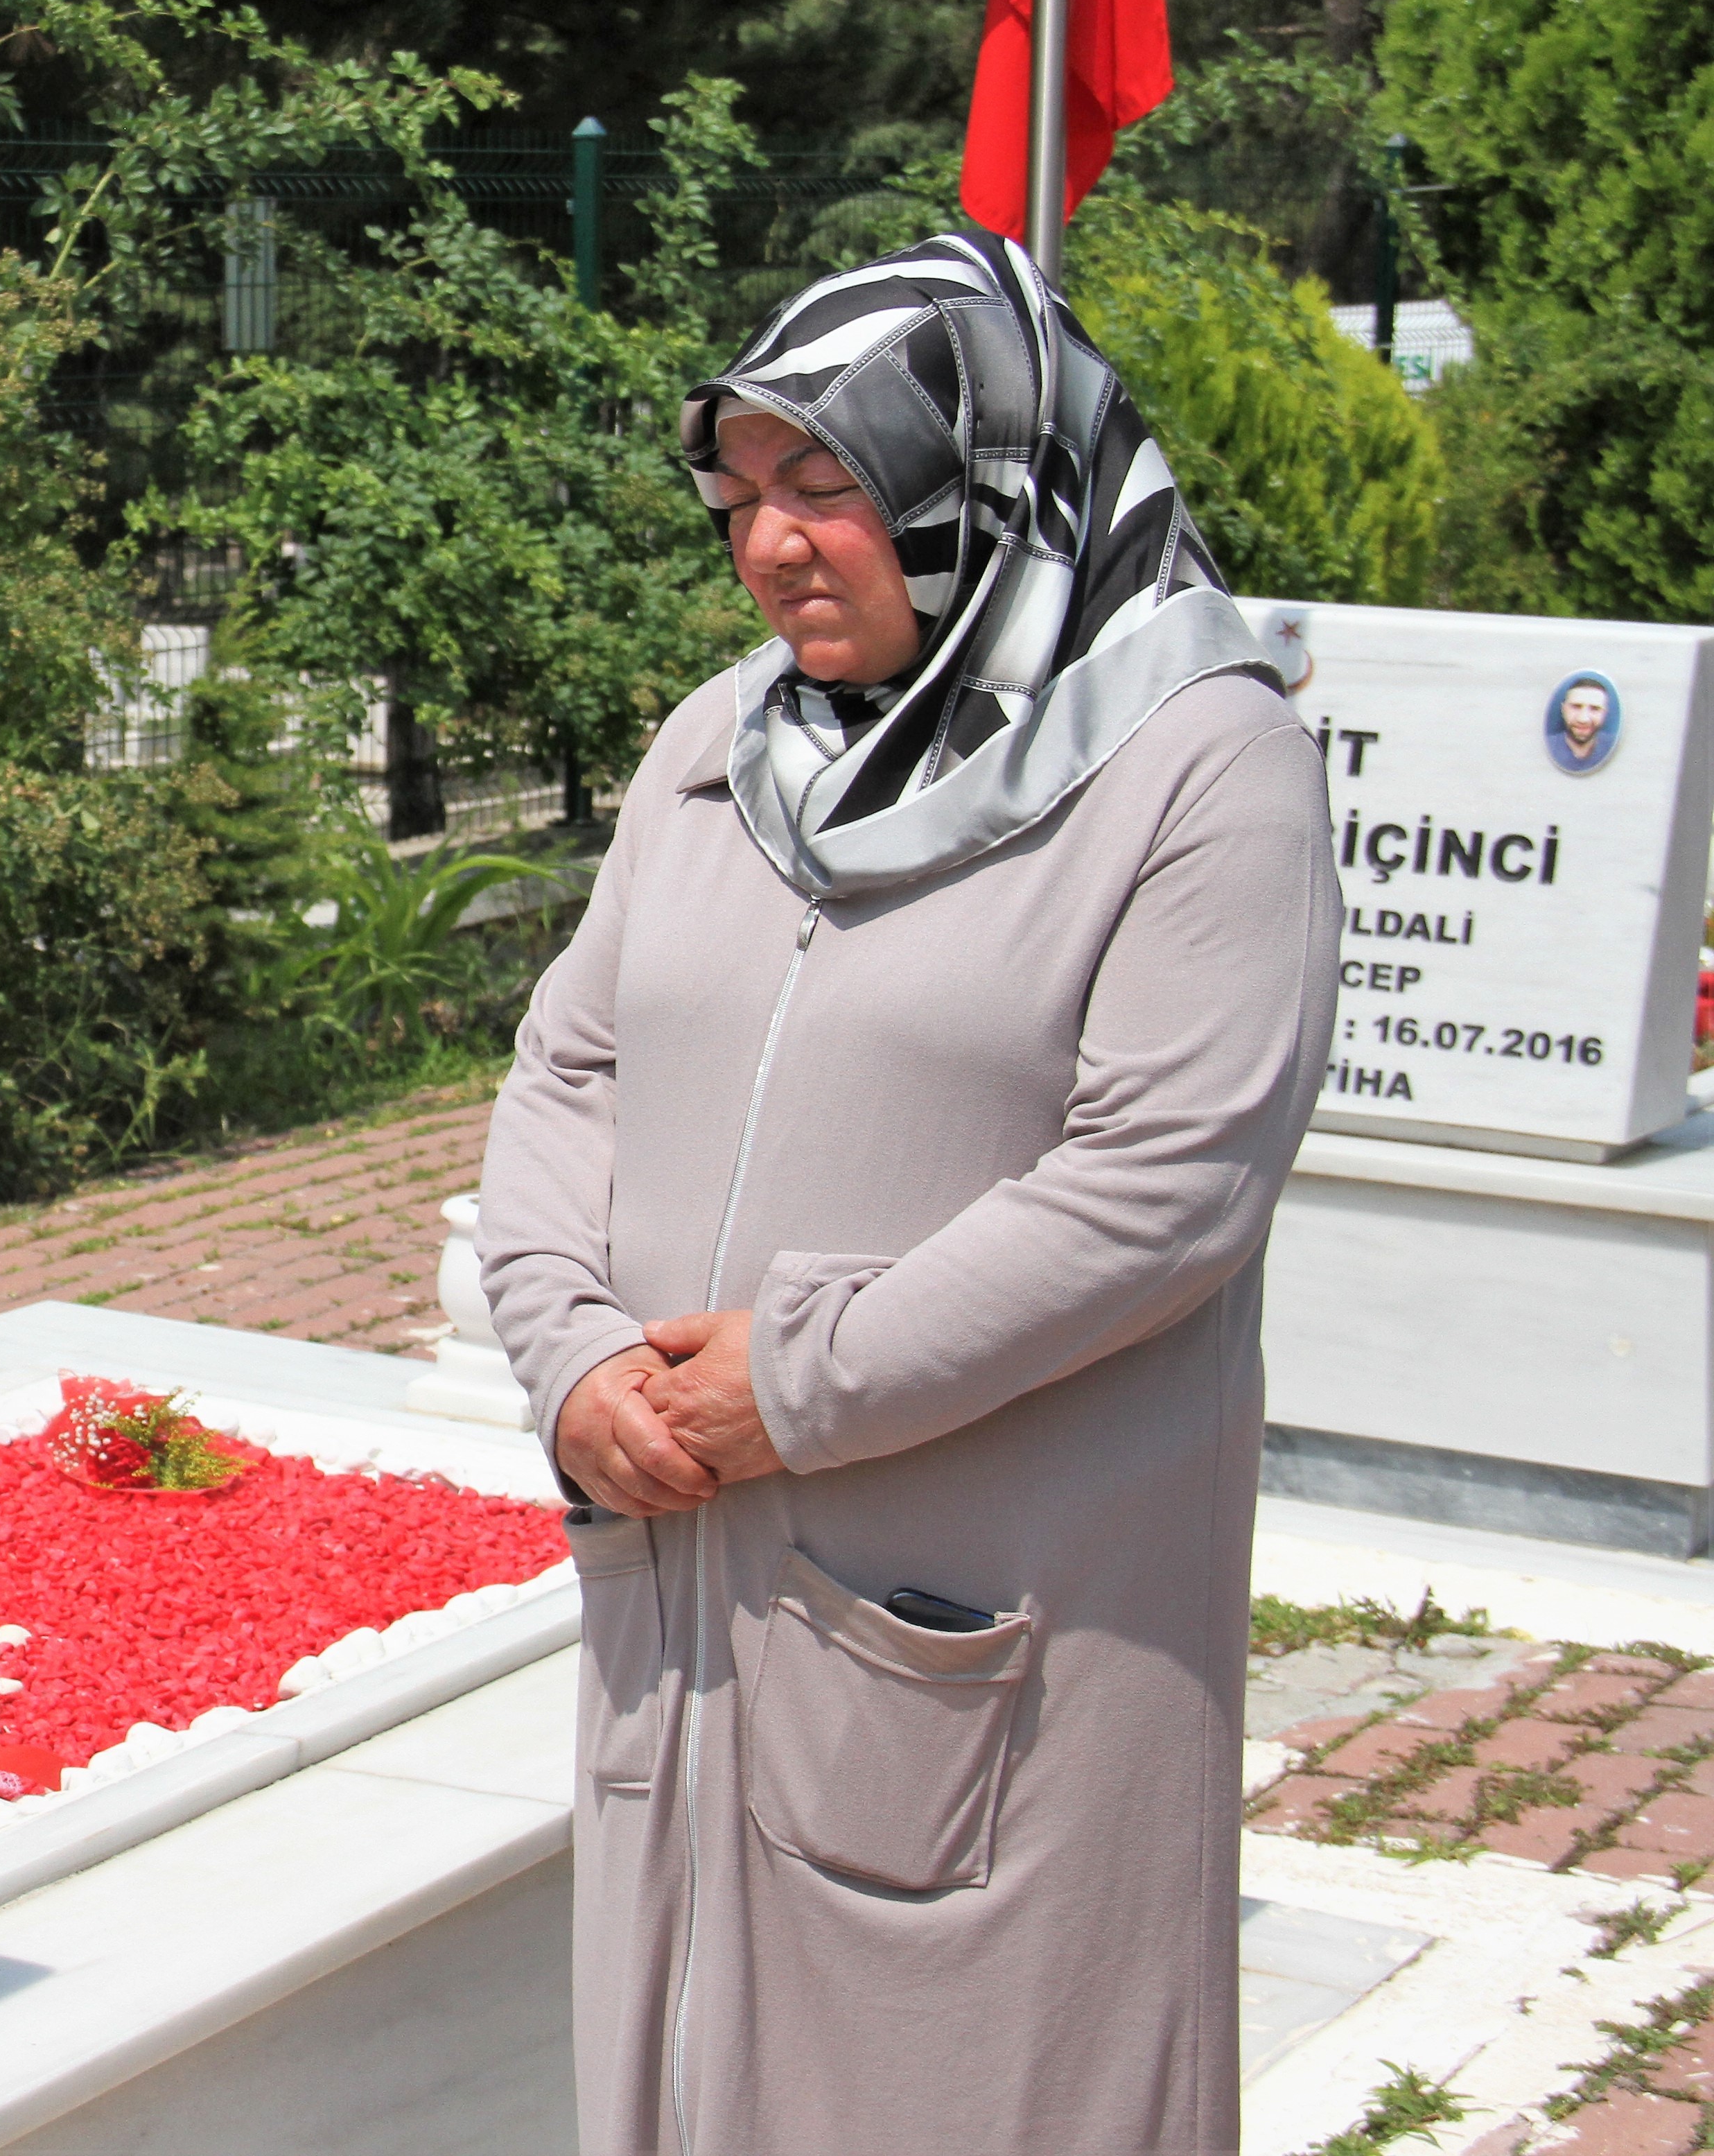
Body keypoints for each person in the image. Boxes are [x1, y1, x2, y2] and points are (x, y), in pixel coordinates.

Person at [478, 230, 1338, 2155]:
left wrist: (788, 1384)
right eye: (747, 494)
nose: (778, 543)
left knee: (985, 2085)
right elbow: (571, 1068)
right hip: (688, 1600)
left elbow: (1163, 1182)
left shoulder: (1202, 767)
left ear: (996, 487)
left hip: (993, 1631)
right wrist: (574, 1358)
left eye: (835, 483)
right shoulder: (723, 747)